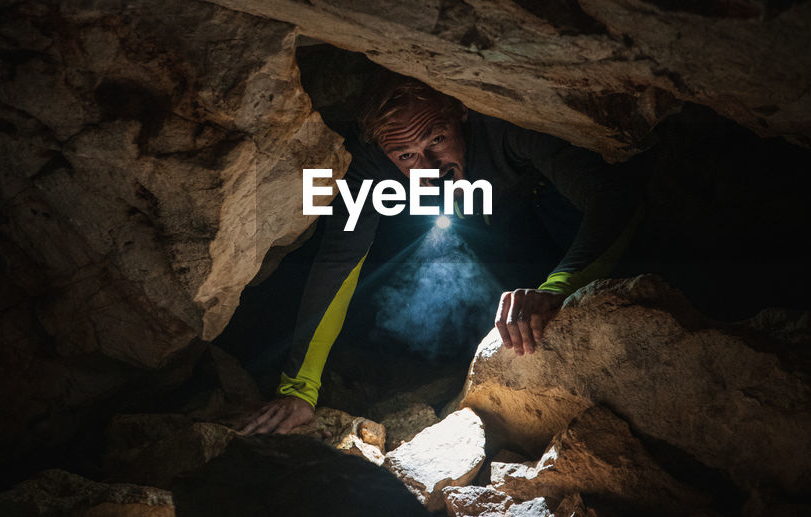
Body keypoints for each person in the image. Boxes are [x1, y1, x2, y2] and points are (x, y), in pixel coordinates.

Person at [242, 72, 644, 435]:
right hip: (483, 223)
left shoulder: (504, 126)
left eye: (436, 139)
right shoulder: (371, 163)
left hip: (543, 199)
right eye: (407, 156)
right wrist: (299, 390)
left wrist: (557, 287)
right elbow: (338, 260)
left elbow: (615, 198)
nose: (432, 166)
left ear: (460, 113)